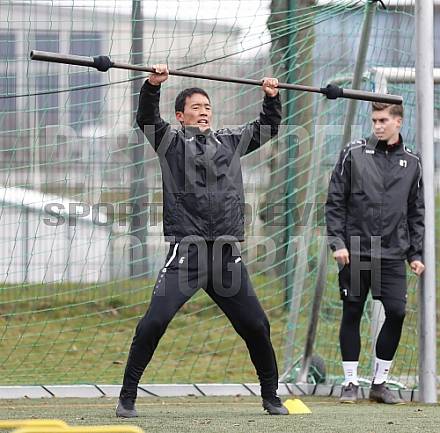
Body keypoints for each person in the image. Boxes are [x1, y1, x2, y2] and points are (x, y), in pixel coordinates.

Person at [116, 65, 288, 417]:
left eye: (207, 107)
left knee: (257, 325)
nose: (204, 111)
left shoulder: (230, 142)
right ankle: (127, 397)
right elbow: (146, 118)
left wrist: (271, 98)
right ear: (180, 116)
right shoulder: (170, 143)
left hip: (226, 256)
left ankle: (271, 396)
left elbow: (267, 127)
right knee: (153, 323)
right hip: (187, 254)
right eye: (196, 107)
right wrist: (152, 86)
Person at [325, 102, 425, 404]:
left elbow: (416, 210)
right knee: (352, 311)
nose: (378, 126)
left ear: (398, 122)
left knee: (397, 312)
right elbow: (335, 201)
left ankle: (379, 383)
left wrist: (415, 253)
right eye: (374, 120)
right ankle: (350, 382)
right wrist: (338, 243)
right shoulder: (353, 153)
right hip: (355, 250)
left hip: (393, 253)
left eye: (383, 120)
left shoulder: (413, 162)